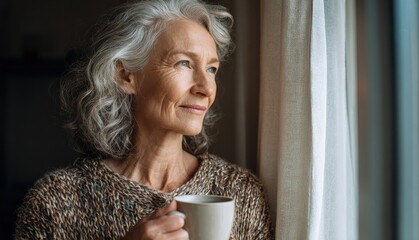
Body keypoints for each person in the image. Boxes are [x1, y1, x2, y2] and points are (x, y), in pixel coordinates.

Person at [15, 0, 274, 239]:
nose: (206, 88)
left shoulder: (240, 192)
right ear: (127, 76)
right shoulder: (54, 203)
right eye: (183, 63)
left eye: (211, 69)